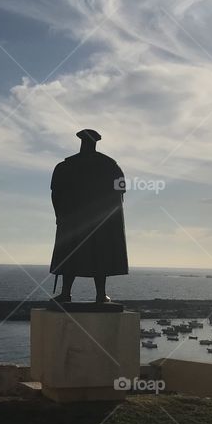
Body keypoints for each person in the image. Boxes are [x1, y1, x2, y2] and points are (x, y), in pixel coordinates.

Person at [49, 129, 128, 302]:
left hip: (74, 221)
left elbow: (56, 194)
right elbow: (120, 192)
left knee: (72, 253)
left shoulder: (65, 166)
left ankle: (67, 293)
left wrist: (59, 216)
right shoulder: (110, 165)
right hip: (99, 220)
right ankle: (99, 294)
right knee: (99, 254)